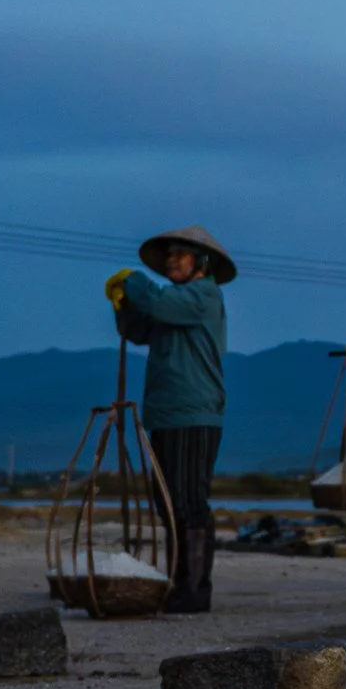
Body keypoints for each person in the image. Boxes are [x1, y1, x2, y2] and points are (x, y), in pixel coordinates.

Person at [106, 225, 233, 613]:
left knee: (190, 500)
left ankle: (195, 590)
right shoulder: (173, 302)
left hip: (193, 413)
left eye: (182, 254)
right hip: (163, 414)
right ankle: (181, 584)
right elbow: (139, 329)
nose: (173, 260)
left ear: (201, 262)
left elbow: (156, 303)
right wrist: (122, 304)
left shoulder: (202, 296)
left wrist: (134, 279)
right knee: (168, 503)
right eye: (170, 255)